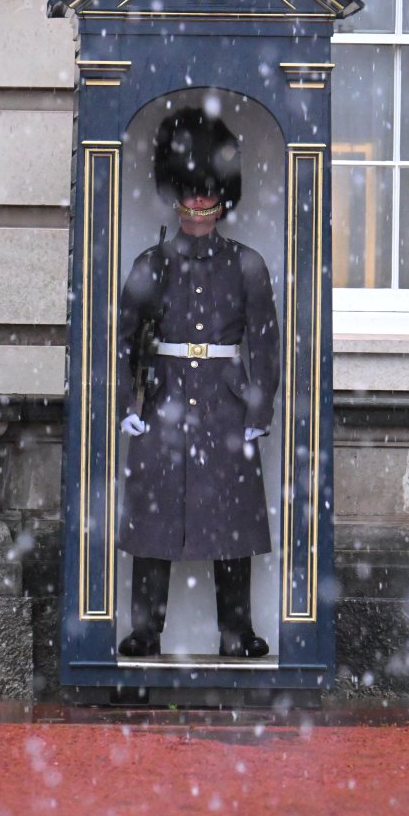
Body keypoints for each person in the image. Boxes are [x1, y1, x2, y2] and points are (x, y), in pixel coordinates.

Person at [117, 106, 280, 657]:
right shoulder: (151, 264)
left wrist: (259, 411)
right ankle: (146, 630)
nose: (198, 206)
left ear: (220, 200)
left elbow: (265, 343)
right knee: (153, 525)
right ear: (177, 195)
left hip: (225, 404)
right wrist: (125, 400)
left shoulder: (247, 265)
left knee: (231, 525)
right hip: (163, 401)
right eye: (190, 194)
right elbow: (121, 338)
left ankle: (236, 633)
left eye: (206, 195)